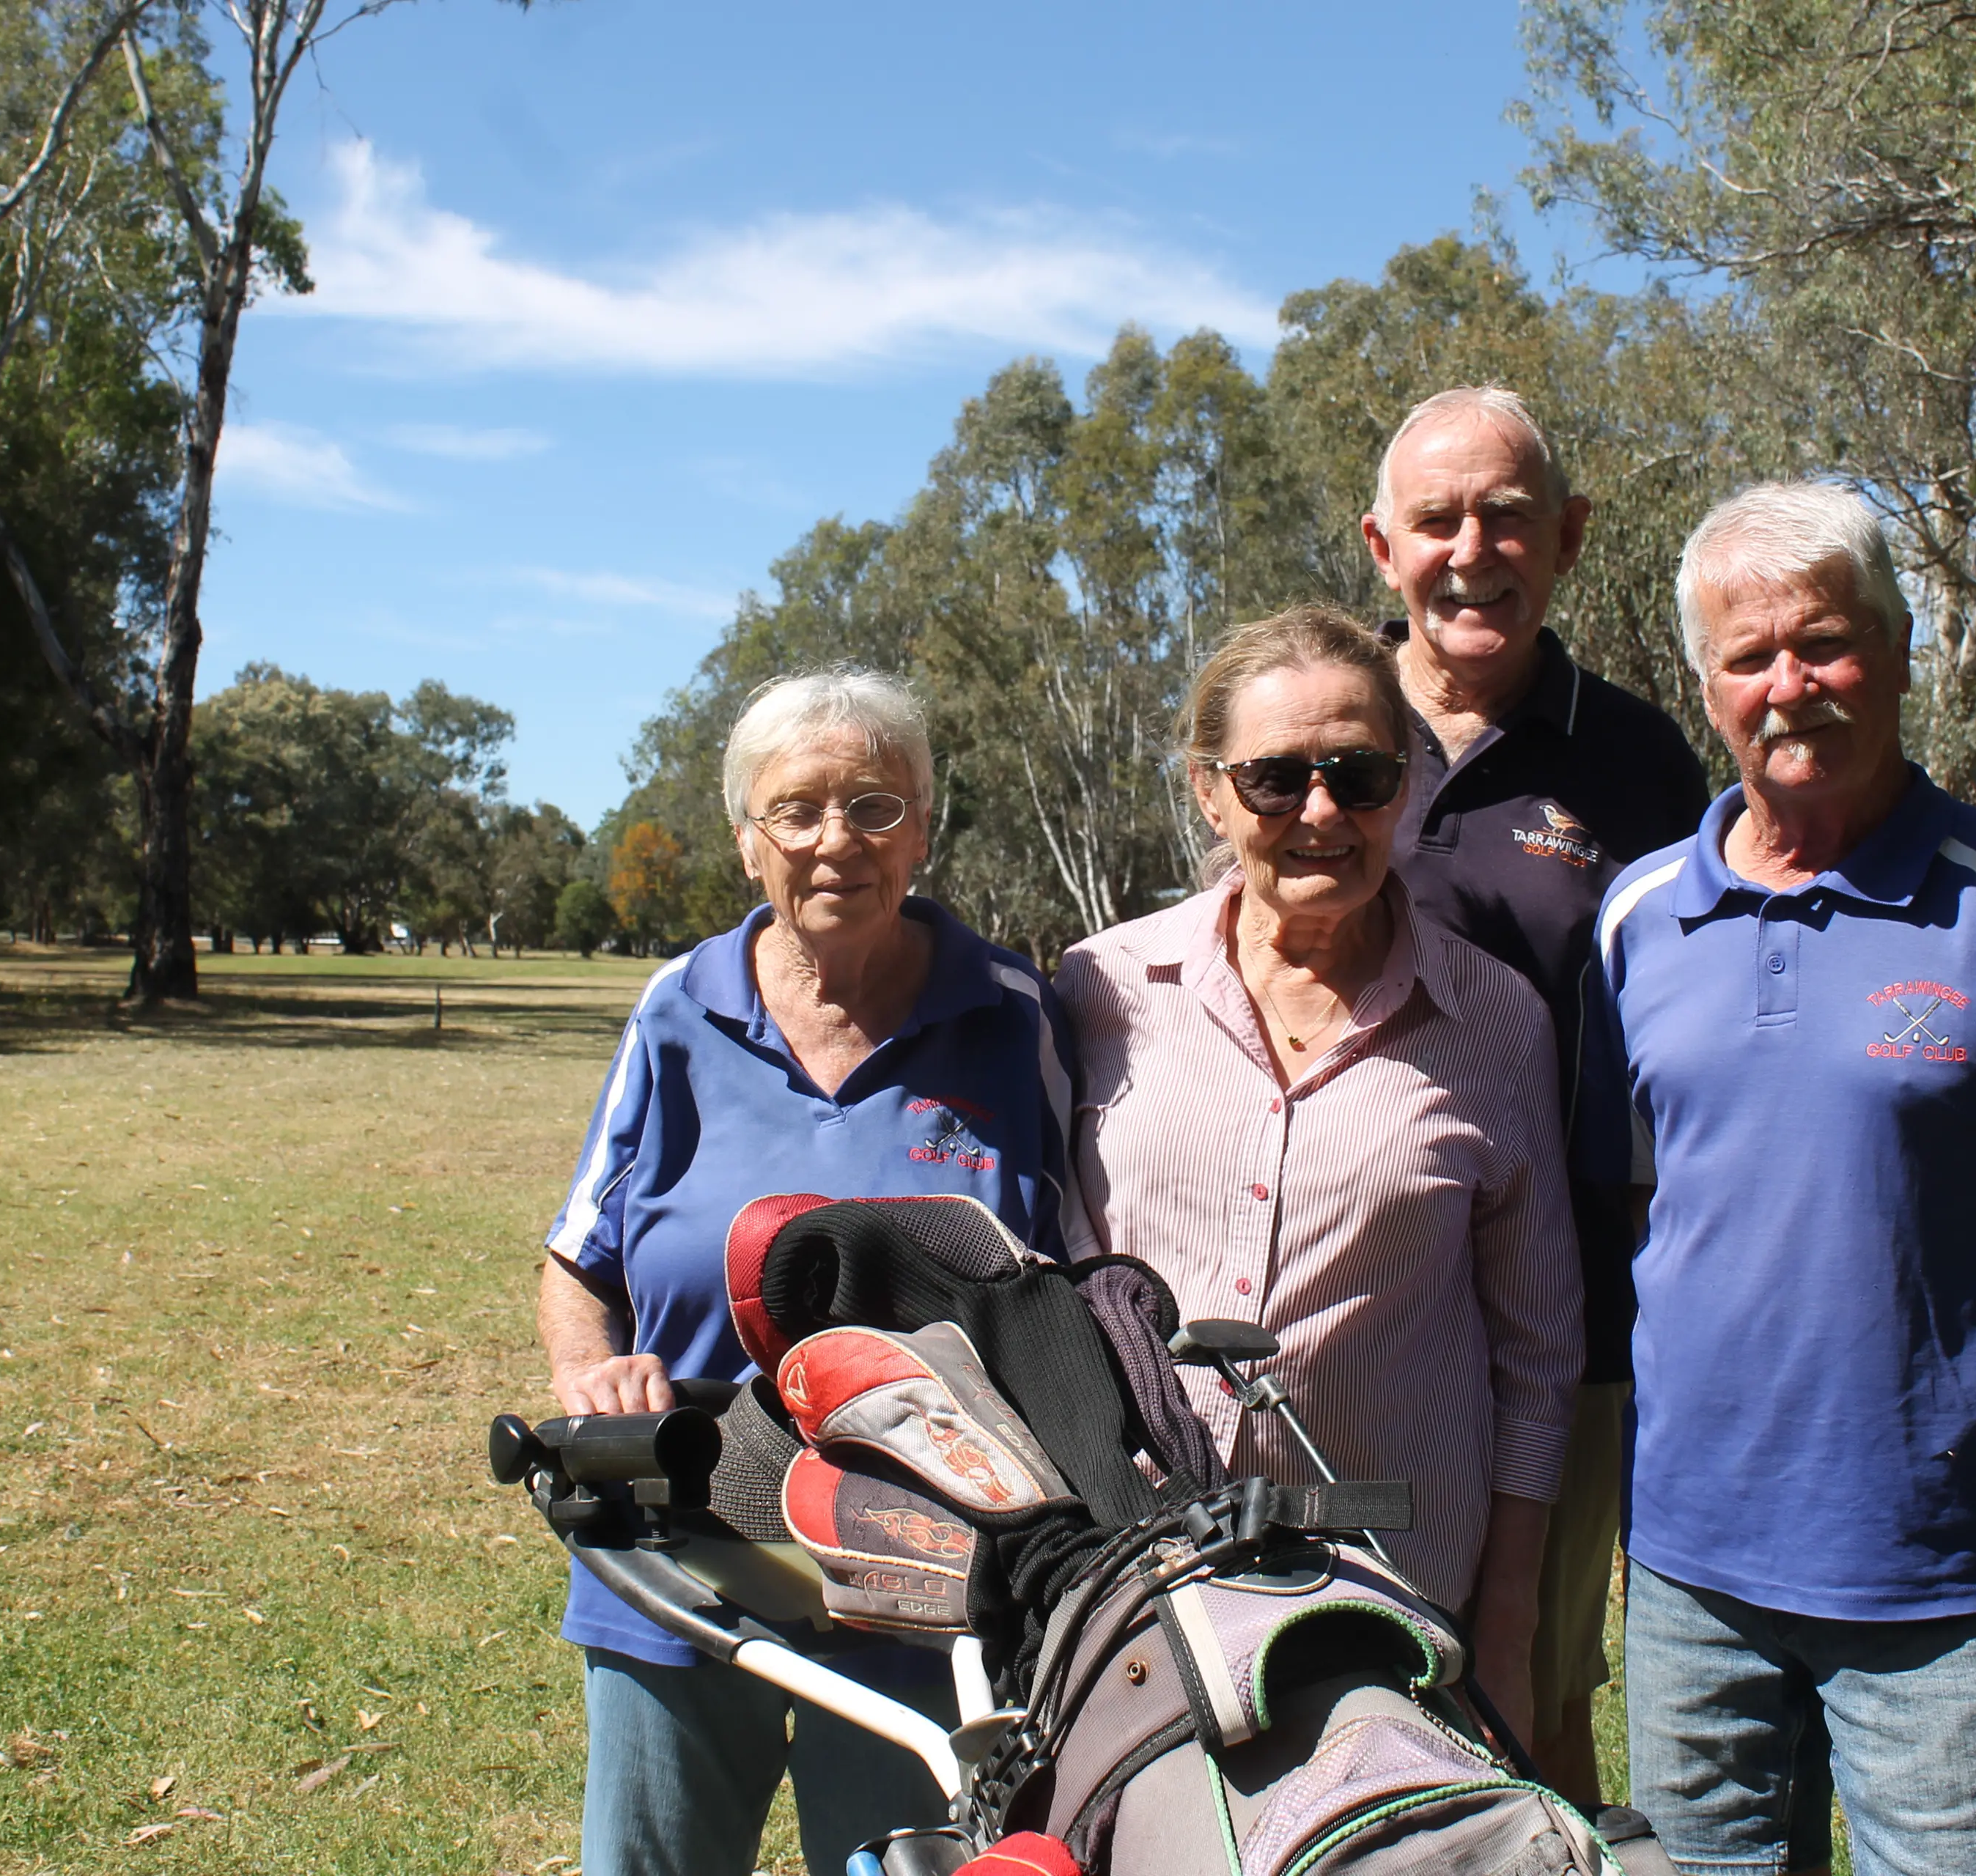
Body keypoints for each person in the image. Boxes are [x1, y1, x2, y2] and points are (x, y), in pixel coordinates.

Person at [1588, 484, 1976, 1876]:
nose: (1790, 685)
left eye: (1829, 644)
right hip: (1690, 1572)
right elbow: (1640, 1210)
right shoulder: (1633, 921)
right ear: (1709, 685)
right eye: (1749, 657)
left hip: (1948, 1585)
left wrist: (1962, 1425)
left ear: (1902, 648)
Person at [535, 669, 1076, 1876]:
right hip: (675, 1555)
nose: (839, 842)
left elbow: (1074, 1276)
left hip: (934, 1574)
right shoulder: (677, 1009)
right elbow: (580, 1254)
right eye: (799, 810)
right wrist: (590, 1372)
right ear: (747, 843)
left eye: (877, 807)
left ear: (923, 830)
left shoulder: (1015, 1017)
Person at [1053, 603, 1585, 1744]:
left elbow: (1537, 1355)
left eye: (1360, 773)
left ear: (1405, 784)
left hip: (1397, 1602)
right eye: (1276, 779)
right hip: (1137, 1592)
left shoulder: (1494, 1019)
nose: (1323, 813)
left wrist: (1505, 1626)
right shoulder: (1100, 992)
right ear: (1209, 790)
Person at [1361, 384, 1711, 1802]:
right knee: (1332, 1680)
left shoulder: (1639, 765)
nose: (1471, 548)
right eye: (1436, 519)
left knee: (1531, 1690)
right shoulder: (1318, 727)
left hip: (1566, 1321)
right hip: (1339, 1306)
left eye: (1506, 515)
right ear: (1382, 547)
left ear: (1566, 538)